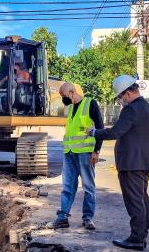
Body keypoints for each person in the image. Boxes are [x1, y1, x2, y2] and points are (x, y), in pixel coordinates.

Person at [89, 75, 149, 251]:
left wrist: (94, 132)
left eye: (120, 97)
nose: (120, 101)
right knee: (142, 199)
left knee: (135, 201)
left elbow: (115, 132)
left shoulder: (131, 109)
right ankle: (141, 236)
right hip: (144, 161)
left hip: (131, 163)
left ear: (128, 93)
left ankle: (136, 239)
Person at [46, 82, 104, 230]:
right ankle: (63, 217)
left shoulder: (90, 104)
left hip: (85, 153)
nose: (63, 100)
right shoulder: (71, 108)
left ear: (72, 93)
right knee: (67, 187)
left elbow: (100, 128)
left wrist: (96, 151)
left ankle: (88, 218)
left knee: (88, 186)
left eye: (64, 96)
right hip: (69, 153)